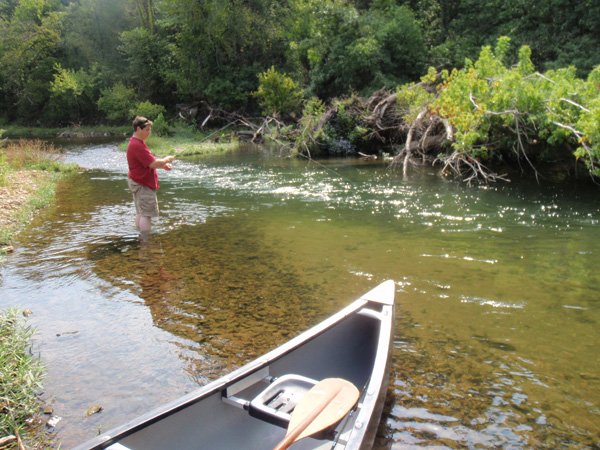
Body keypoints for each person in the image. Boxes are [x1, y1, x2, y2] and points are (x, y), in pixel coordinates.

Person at [126, 116, 175, 239]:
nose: (149, 132)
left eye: (150, 130)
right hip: (142, 184)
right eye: (147, 130)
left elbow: (147, 163)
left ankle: (140, 238)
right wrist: (166, 159)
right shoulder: (137, 145)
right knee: (146, 215)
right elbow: (153, 163)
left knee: (141, 212)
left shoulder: (136, 143)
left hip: (138, 181)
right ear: (138, 129)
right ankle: (146, 241)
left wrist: (163, 166)